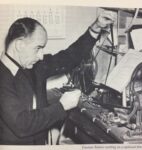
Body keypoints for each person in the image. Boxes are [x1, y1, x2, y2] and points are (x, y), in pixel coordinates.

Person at [0, 9, 115, 145]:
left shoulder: (33, 66)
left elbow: (68, 57)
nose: (41, 55)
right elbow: (22, 124)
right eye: (38, 48)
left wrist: (95, 29)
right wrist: (62, 106)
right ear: (19, 45)